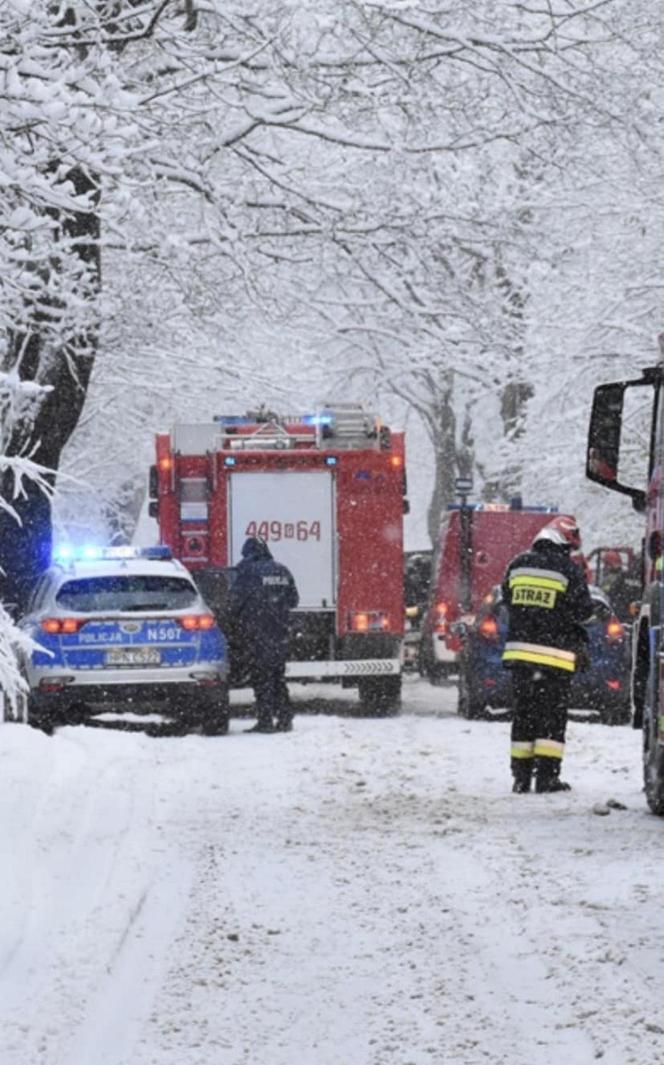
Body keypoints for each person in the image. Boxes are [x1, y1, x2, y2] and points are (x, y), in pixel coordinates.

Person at [501, 515, 593, 794]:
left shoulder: (516, 565)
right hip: (555, 659)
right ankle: (547, 778)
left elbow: (508, 600)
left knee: (524, 715)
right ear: (565, 542)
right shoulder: (569, 570)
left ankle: (520, 778)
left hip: (521, 658)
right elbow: (583, 611)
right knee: (551, 719)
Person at [227, 536, 299, 733]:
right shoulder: (282, 569)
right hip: (280, 633)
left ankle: (265, 721)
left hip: (256, 634)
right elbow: (293, 600)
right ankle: (285, 719)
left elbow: (235, 601)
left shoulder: (246, 571)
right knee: (278, 677)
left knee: (261, 678)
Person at [599, 550, 632, 621]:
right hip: (618, 609)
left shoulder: (614, 578)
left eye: (606, 564)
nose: (605, 567)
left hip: (616, 610)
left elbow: (605, 591)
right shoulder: (624, 576)